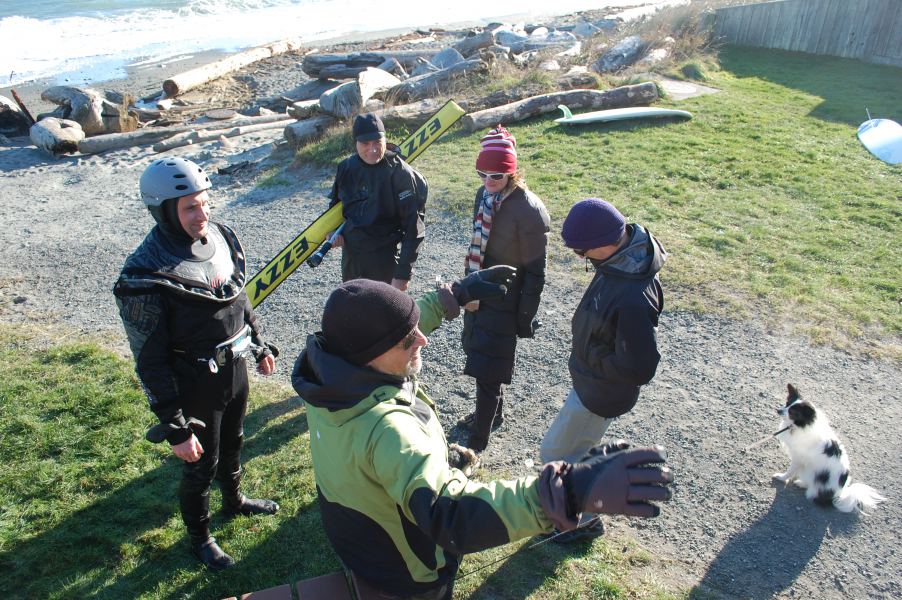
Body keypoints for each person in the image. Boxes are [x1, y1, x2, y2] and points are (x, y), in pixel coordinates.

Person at [291, 272, 672, 600]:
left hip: (360, 536)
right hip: (408, 572)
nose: (422, 340)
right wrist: (565, 491)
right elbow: (452, 512)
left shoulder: (330, 375)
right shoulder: (388, 430)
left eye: (417, 327)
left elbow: (393, 328)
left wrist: (449, 298)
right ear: (370, 356)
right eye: (408, 341)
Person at [114, 157, 280, 571]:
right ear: (164, 210)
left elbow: (239, 297)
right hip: (193, 382)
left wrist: (259, 345)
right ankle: (200, 538)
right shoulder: (145, 273)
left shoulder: (221, 237)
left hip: (234, 370)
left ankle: (235, 499)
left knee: (235, 442)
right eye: (190, 207)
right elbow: (149, 363)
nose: (202, 214)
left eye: (205, 203)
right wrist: (175, 425)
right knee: (200, 466)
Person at [539, 198, 667, 543]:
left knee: (554, 453)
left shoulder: (633, 294)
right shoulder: (620, 262)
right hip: (593, 383)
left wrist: (593, 356)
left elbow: (641, 366)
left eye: (582, 252)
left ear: (607, 242)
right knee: (578, 450)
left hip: (600, 391)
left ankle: (583, 522)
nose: (581, 258)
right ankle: (578, 513)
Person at [460, 125, 550, 453]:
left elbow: (536, 273)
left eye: (495, 176)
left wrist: (524, 319)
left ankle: (475, 445)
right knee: (480, 357)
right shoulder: (484, 196)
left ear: (511, 173)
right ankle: (492, 415)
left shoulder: (529, 210)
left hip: (505, 300)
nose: (487, 181)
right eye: (482, 173)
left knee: (488, 371)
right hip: (478, 291)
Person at [328, 112, 427, 291]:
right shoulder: (346, 168)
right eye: (365, 144)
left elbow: (414, 229)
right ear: (356, 143)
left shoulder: (400, 173)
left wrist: (402, 275)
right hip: (352, 258)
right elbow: (335, 206)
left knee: (384, 316)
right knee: (354, 311)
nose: (372, 149)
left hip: (385, 259)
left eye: (377, 143)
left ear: (385, 140)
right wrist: (333, 231)